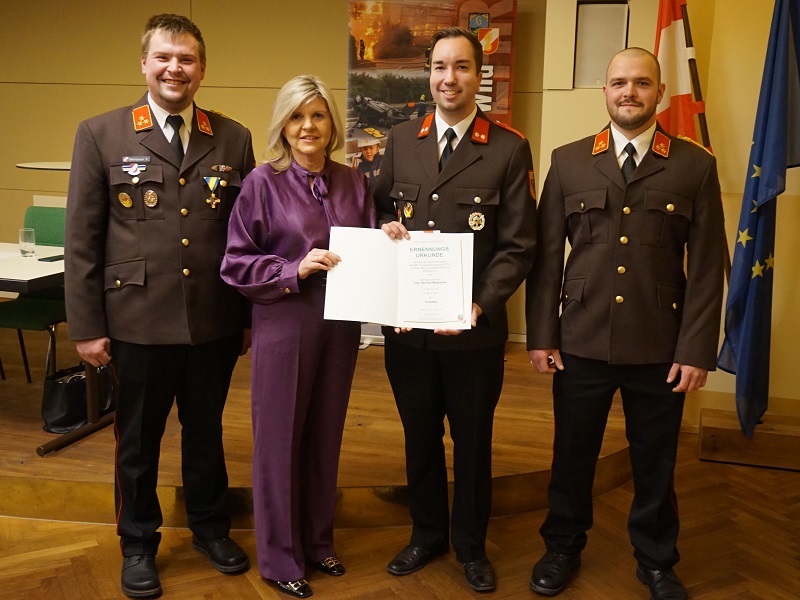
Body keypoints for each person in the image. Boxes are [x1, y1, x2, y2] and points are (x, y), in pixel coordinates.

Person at [64, 14, 254, 599]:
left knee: (206, 434)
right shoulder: (102, 134)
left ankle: (210, 529)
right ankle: (138, 545)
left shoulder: (233, 137)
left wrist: (247, 317)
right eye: (165, 57)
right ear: (144, 64)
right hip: (137, 321)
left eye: (187, 59)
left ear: (203, 68)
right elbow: (82, 239)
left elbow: (249, 234)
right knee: (138, 443)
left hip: (212, 319)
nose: (176, 68)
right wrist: (87, 326)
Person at [525, 48, 726, 600]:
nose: (628, 92)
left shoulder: (693, 165)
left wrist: (696, 350)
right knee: (571, 456)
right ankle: (562, 548)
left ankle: (656, 561)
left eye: (641, 83)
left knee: (655, 461)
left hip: (660, 343)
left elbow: (707, 266)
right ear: (605, 92)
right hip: (581, 339)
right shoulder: (569, 161)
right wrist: (542, 335)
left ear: (659, 92)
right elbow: (546, 258)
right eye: (618, 82)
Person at [375, 27, 537, 593]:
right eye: (440, 67)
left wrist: (480, 303)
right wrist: (384, 229)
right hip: (409, 331)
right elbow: (376, 213)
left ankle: (470, 545)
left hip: (472, 333)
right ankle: (426, 535)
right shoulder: (402, 140)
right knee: (418, 436)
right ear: (428, 74)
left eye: (462, 67)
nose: (450, 78)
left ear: (478, 75)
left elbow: (519, 244)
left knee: (471, 443)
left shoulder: (509, 148)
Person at [220, 75, 375, 599]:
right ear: (283, 126)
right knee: (279, 440)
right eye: (296, 116)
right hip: (285, 320)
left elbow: (370, 251)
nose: (308, 126)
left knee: (325, 435)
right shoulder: (261, 183)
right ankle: (280, 557)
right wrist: (293, 268)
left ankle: (317, 540)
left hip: (340, 325)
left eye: (318, 115)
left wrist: (392, 236)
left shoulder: (355, 182)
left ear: (332, 123)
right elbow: (235, 262)